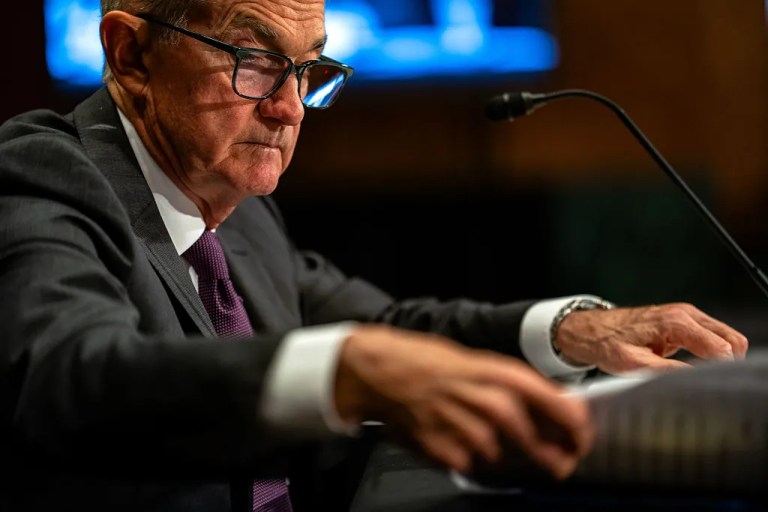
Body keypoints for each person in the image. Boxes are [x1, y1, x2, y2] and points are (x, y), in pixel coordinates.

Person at [0, 0, 748, 511]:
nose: (289, 107)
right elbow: (73, 376)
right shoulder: (39, 173)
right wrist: (344, 368)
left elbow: (387, 328)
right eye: (253, 60)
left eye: (308, 70)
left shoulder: (241, 214)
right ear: (131, 54)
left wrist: (568, 330)